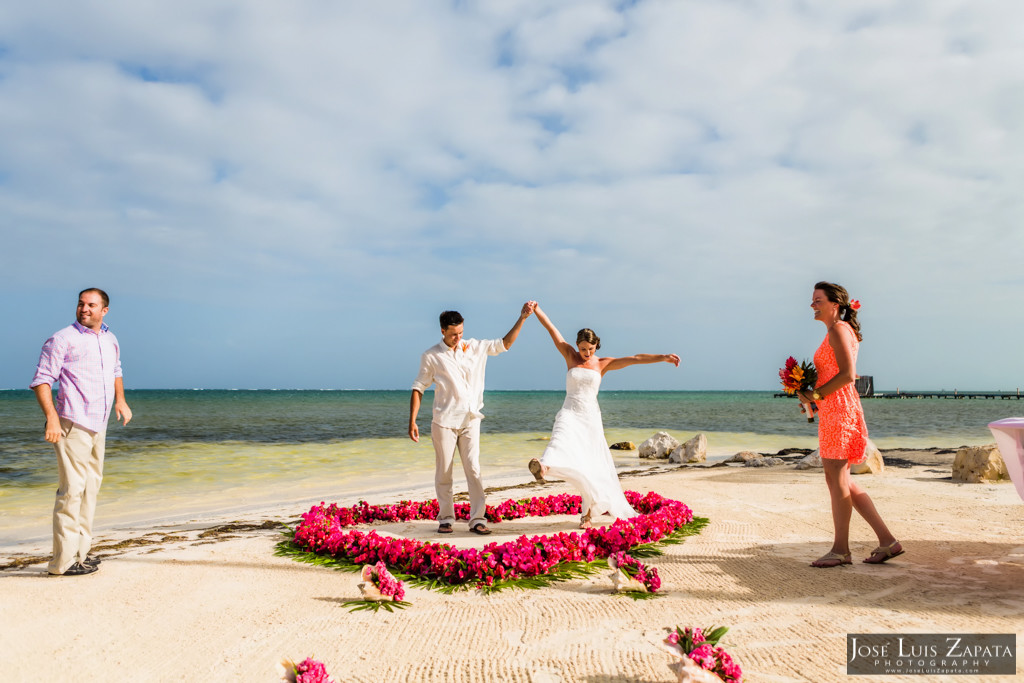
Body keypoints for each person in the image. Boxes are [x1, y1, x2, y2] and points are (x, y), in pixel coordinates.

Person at [526, 305, 680, 528]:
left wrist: (663, 357)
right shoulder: (570, 355)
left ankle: (587, 515)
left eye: (590, 348)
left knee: (591, 465)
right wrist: (537, 309)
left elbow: (635, 358)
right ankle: (544, 467)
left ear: (596, 344)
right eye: (582, 349)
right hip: (569, 411)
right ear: (576, 346)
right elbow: (552, 329)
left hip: (590, 419)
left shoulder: (602, 363)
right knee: (559, 439)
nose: (586, 353)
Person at [796, 281, 903, 568]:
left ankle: (840, 550)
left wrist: (816, 394)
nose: (812, 305)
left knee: (838, 480)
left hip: (841, 408)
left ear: (835, 304)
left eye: (817, 300)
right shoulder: (837, 331)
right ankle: (888, 542)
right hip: (834, 408)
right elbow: (834, 376)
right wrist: (814, 399)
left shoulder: (839, 330)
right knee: (839, 480)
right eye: (812, 300)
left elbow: (847, 375)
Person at [29, 288, 132, 576]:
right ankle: (62, 563)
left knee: (90, 489)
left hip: (98, 424)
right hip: (72, 423)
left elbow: (116, 371)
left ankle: (81, 553)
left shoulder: (110, 339)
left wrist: (120, 400)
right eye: (81, 304)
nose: (84, 309)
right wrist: (51, 418)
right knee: (71, 490)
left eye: (91, 305)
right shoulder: (62, 339)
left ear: (104, 310)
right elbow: (41, 380)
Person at [409, 302, 535, 535]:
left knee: (473, 469)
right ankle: (446, 518)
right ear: (443, 331)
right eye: (454, 334)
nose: (458, 338)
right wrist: (412, 421)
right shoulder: (431, 356)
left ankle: (477, 519)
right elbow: (418, 387)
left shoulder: (475, 347)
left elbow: (505, 343)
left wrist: (523, 318)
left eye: (461, 333)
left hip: (471, 419)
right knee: (444, 471)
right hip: (444, 422)